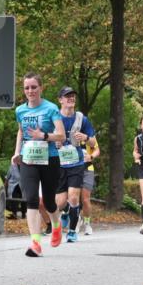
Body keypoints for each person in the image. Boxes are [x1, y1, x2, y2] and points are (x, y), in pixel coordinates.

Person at [12, 73, 66, 257]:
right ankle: (35, 243)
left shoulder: (51, 109)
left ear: (41, 88)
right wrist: (17, 152)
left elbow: (61, 135)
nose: (30, 91)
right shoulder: (20, 110)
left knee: (50, 201)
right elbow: (21, 131)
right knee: (32, 200)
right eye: (27, 87)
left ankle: (56, 224)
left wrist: (43, 136)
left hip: (50, 158)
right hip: (28, 159)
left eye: (34, 87)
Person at [54, 87, 96, 242]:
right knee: (60, 202)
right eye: (67, 96)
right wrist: (54, 140)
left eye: (72, 96)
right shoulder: (53, 117)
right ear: (60, 100)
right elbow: (43, 138)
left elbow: (92, 141)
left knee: (73, 197)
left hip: (76, 163)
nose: (71, 98)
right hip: (58, 164)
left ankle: (72, 231)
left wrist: (85, 137)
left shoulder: (81, 119)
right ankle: (65, 212)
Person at [80, 125, 101, 235]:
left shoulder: (88, 134)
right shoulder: (67, 132)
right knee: (70, 197)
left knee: (85, 199)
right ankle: (75, 216)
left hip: (87, 168)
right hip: (71, 168)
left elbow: (97, 150)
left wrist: (91, 157)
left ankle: (87, 223)